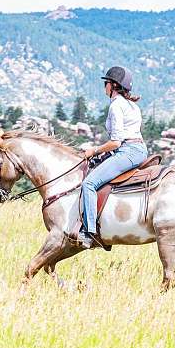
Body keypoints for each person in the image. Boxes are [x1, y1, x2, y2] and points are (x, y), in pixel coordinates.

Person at [75, 66, 148, 248]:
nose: (104, 87)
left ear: (113, 85)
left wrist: (94, 150)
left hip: (128, 151)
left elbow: (116, 142)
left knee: (89, 184)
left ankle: (89, 232)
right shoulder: (133, 105)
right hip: (139, 149)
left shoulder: (116, 106)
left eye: (106, 83)